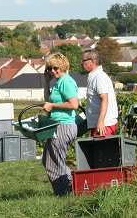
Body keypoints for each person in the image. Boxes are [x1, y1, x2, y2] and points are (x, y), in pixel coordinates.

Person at [41, 52, 79, 196]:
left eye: (55, 68)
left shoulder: (66, 82)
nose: (52, 71)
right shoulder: (58, 82)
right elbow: (48, 101)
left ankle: (63, 193)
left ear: (62, 66)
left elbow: (74, 104)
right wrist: (46, 82)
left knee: (54, 164)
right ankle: (72, 186)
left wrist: (53, 107)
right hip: (57, 125)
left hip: (63, 126)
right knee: (48, 160)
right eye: (50, 68)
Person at [81, 49, 118, 136]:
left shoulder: (99, 77)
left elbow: (105, 99)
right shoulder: (94, 76)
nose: (81, 63)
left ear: (92, 61)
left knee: (101, 149)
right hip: (99, 124)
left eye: (83, 61)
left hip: (103, 126)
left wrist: (101, 121)